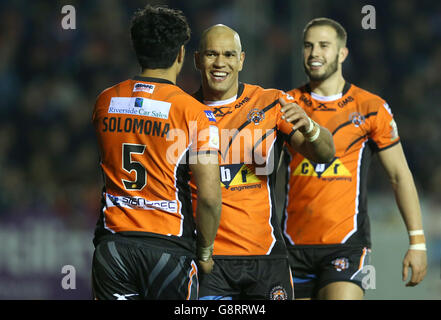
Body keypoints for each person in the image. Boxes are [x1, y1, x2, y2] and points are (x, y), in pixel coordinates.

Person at [281, 17, 427, 300]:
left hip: (346, 245)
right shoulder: (286, 104)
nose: (314, 54)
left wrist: (417, 242)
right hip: (291, 245)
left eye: (324, 45)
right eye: (308, 46)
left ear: (342, 53)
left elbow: (399, 175)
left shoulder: (371, 108)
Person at [191, 24, 335, 300]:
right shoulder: (183, 110)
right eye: (211, 54)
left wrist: (311, 128)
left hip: (266, 257)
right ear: (197, 59)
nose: (220, 63)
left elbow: (326, 155)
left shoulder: (270, 103)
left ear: (241, 60)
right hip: (208, 261)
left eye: (229, 55)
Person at [91, 5, 222, 300]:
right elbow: (211, 197)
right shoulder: (193, 113)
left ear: (136, 48)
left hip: (114, 245)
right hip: (169, 247)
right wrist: (205, 251)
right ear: (180, 54)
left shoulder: (105, 101)